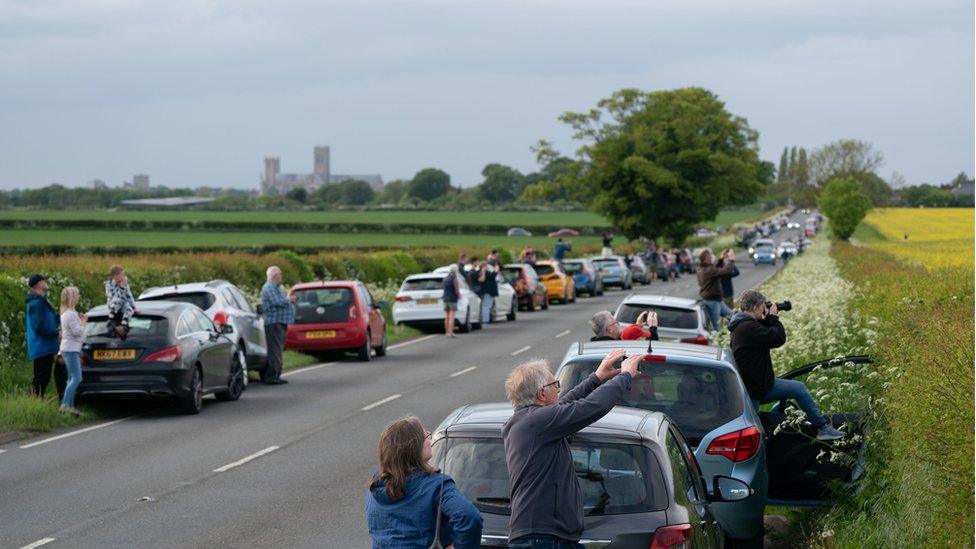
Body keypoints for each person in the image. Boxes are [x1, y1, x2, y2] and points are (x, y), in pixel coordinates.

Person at [502, 352, 639, 547]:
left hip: (543, 536)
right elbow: (591, 407)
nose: (558, 390)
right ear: (542, 393)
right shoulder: (537, 421)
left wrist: (596, 377)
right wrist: (624, 377)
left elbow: (567, 403)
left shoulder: (529, 420)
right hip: (543, 539)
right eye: (555, 386)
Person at [728, 290, 846, 441]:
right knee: (755, 434)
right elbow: (778, 338)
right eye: (763, 306)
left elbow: (762, 333)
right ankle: (821, 429)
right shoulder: (747, 328)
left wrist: (768, 317)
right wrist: (773, 317)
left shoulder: (742, 325)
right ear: (757, 307)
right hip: (756, 390)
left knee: (797, 388)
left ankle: (820, 426)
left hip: (759, 384)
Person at [366, 416, 483, 548]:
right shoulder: (436, 485)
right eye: (426, 434)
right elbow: (469, 517)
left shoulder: (375, 484)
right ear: (414, 447)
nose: (430, 436)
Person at [25, 274, 65, 399]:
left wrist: (67, 317)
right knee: (41, 378)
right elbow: (39, 327)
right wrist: (56, 333)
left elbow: (51, 319)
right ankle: (32, 403)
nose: (46, 283)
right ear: (38, 284)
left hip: (45, 346)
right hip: (41, 346)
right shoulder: (37, 303)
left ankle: (35, 402)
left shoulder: (41, 302)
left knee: (44, 377)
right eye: (44, 281)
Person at [260, 265, 296, 385]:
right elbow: (277, 302)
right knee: (275, 350)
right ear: (275, 275)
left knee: (277, 349)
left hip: (279, 322)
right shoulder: (269, 287)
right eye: (280, 274)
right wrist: (289, 300)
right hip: (274, 322)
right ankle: (271, 377)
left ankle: (275, 375)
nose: (281, 276)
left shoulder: (274, 287)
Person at [58, 286, 85, 416]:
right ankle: (65, 405)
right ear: (72, 297)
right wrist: (84, 322)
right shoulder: (71, 314)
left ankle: (70, 405)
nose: (78, 297)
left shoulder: (65, 313)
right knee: (77, 378)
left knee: (70, 378)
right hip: (71, 349)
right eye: (77, 294)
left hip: (66, 348)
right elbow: (78, 332)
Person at [697, 249, 735, 331]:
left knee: (733, 317)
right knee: (716, 328)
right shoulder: (708, 270)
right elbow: (725, 271)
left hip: (716, 301)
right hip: (713, 302)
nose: (711, 256)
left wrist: (721, 259)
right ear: (706, 258)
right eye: (710, 255)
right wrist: (731, 259)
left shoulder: (703, 269)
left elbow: (716, 271)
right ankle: (715, 342)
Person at [104, 265, 136, 340]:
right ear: (115, 276)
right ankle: (111, 319)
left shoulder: (125, 285)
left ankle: (123, 324)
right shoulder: (109, 285)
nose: (124, 276)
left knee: (128, 309)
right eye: (122, 274)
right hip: (113, 304)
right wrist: (121, 288)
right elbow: (113, 296)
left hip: (123, 304)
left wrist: (133, 307)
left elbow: (129, 296)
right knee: (118, 300)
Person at [589, 310, 658, 341]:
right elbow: (652, 349)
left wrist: (637, 327)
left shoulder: (593, 346)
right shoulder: (619, 347)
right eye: (616, 322)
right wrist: (653, 328)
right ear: (610, 330)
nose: (619, 324)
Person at [442, 264, 461, 338]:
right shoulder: (454, 279)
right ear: (456, 271)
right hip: (452, 299)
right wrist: (459, 296)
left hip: (445, 299)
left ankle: (446, 332)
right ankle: (451, 332)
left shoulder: (445, 278)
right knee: (452, 316)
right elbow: (456, 290)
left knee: (446, 316)